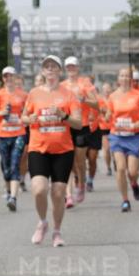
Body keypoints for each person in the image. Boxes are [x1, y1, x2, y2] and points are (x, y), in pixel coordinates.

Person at [22, 55, 82, 247]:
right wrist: (28, 120)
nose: (49, 69)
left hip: (63, 150)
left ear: (59, 71)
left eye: (53, 66)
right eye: (46, 66)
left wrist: (63, 115)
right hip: (38, 147)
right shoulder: (34, 93)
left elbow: (78, 123)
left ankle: (57, 231)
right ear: (42, 71)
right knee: (39, 189)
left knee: (58, 193)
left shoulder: (68, 94)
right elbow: (23, 116)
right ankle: (43, 222)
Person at [105, 67, 139, 211]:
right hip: (116, 136)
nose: (124, 78)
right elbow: (109, 113)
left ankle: (134, 184)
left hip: (134, 136)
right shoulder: (112, 96)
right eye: (122, 76)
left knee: (132, 172)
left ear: (131, 79)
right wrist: (106, 116)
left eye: (127, 76)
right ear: (118, 79)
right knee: (121, 168)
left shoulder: (138, 95)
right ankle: (125, 200)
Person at [62, 56, 98, 208]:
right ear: (65, 69)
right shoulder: (61, 85)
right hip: (66, 126)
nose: (71, 69)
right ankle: (69, 196)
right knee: (67, 162)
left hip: (81, 126)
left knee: (80, 160)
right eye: (68, 67)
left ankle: (81, 184)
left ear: (78, 68)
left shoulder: (85, 83)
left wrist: (84, 100)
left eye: (73, 66)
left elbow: (96, 104)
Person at [0, 66, 28, 211]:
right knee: (5, 167)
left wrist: (22, 119)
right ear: (3, 78)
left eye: (10, 76)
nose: (8, 78)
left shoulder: (23, 95)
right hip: (2, 134)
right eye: (5, 76)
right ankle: (8, 191)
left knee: (14, 165)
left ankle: (13, 197)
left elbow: (27, 112)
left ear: (15, 77)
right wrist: (2, 112)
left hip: (18, 133)